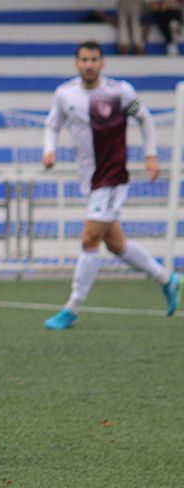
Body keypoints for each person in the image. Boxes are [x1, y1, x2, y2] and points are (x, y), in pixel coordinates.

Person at [42, 41, 181, 330]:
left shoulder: (119, 92)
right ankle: (167, 279)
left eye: (94, 59)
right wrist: (49, 149)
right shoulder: (65, 94)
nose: (89, 64)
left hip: (113, 176)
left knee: (89, 239)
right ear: (76, 63)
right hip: (91, 179)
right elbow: (52, 125)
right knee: (115, 244)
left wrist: (151, 154)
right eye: (84, 59)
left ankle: (72, 308)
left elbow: (145, 118)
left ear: (102, 63)